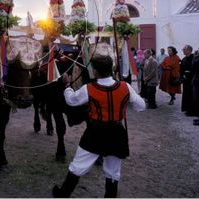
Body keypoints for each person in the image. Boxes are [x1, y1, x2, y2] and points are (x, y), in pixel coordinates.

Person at [52, 55, 145, 198]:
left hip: (95, 132)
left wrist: (68, 86)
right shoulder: (125, 86)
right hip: (117, 132)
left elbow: (71, 101)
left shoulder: (89, 88)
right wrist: (125, 100)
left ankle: (62, 194)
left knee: (78, 165)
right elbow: (141, 106)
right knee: (113, 171)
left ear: (94, 71)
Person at [180, 45, 195, 115]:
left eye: (184, 49)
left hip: (192, 80)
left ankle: (192, 110)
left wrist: (190, 73)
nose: (183, 50)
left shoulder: (194, 58)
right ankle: (187, 109)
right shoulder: (184, 59)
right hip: (186, 80)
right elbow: (181, 69)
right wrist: (182, 75)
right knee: (186, 94)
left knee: (192, 95)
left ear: (189, 50)